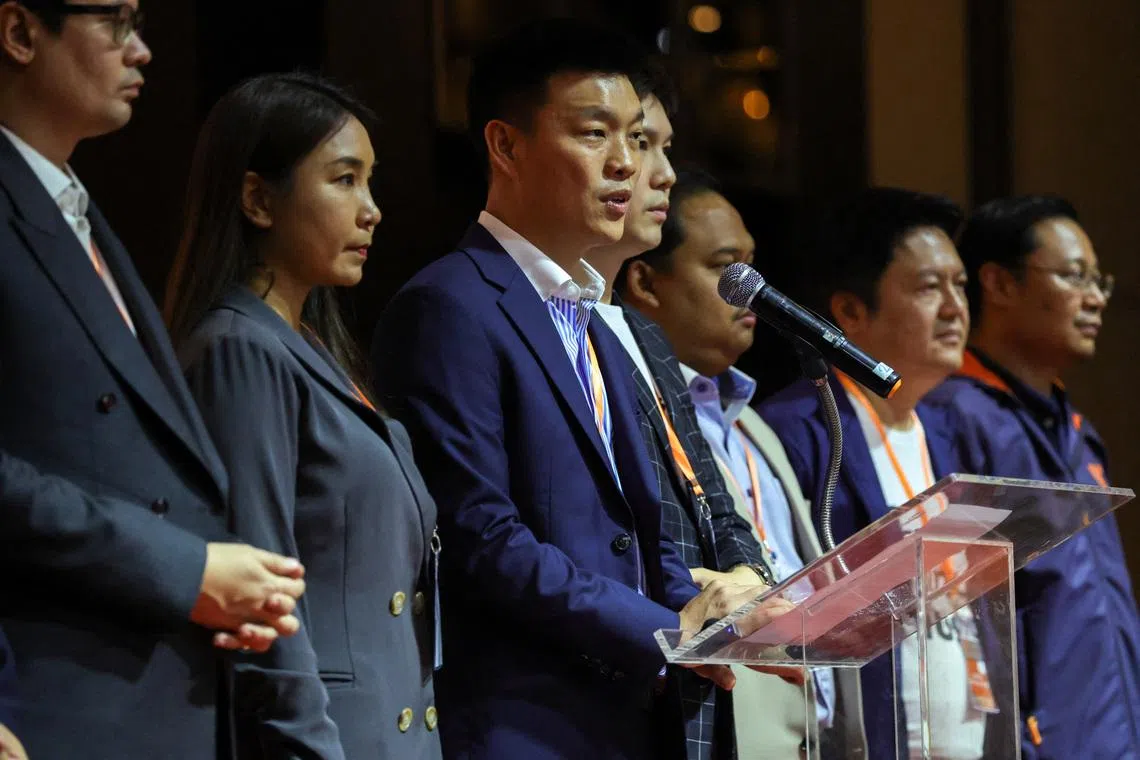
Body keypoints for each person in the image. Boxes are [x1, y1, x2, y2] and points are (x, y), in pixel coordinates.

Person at [372, 19, 785, 760]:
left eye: (637, 137)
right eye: (595, 135)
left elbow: (639, 526)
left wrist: (713, 614)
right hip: (522, 726)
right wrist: (665, 630)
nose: (626, 164)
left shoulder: (592, 320)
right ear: (505, 145)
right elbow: (479, 537)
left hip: (629, 717)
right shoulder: (449, 305)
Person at [0, 1, 308, 756]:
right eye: (116, 21)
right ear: (19, 32)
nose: (141, 52)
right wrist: (186, 566)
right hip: (52, 708)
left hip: (149, 702)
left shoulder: (66, 197)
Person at [166, 73, 443, 760]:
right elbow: (260, 594)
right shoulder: (240, 349)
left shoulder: (309, 346)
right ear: (259, 198)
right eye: (344, 180)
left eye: (370, 182)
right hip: (328, 740)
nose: (371, 209)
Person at [617, 171, 867, 759]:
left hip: (818, 739)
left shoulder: (756, 426)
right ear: (646, 282)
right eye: (724, 269)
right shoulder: (633, 420)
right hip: (726, 734)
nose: (749, 291)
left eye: (752, 268)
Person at [761, 188, 1010, 759]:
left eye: (960, 285)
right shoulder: (799, 430)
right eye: (928, 287)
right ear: (850, 311)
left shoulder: (953, 435)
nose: (954, 307)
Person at [585, 74, 775, 760]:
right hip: (617, 697)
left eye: (659, 146)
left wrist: (751, 575)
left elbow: (719, 510)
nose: (654, 172)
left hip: (714, 706)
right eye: (639, 143)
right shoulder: (558, 329)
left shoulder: (648, 343)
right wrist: (675, 596)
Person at [925, 195, 1140, 759]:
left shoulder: (1077, 429)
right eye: (1074, 276)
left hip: (1109, 731)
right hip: (1035, 741)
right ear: (998, 282)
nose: (1095, 298)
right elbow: (963, 601)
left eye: (1100, 281)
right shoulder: (957, 417)